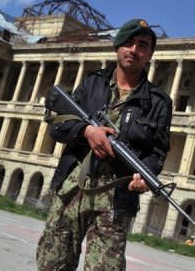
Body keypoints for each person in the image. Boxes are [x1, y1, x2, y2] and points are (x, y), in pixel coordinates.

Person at [36, 18, 172, 270]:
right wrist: (86, 131)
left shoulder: (158, 102)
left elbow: (158, 151)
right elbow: (57, 125)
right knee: (52, 264)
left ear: (150, 54)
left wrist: (146, 175)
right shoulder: (92, 83)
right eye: (128, 43)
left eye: (142, 45)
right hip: (71, 190)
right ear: (118, 46)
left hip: (116, 200)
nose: (134, 50)